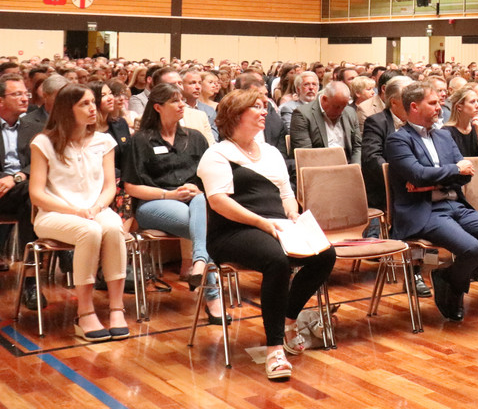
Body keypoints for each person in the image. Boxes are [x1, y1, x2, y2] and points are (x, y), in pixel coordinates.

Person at [198, 90, 337, 381]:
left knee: (325, 254)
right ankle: (275, 349)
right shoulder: (217, 154)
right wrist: (262, 223)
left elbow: (286, 195)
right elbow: (219, 202)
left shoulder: (272, 153)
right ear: (236, 116)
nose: (265, 112)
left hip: (275, 226)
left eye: (264, 107)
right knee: (277, 261)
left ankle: (288, 319)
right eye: (257, 108)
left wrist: (293, 215)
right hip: (233, 231)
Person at [384, 82, 478, 322]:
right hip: (425, 211)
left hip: (456, 204)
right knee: (472, 249)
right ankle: (454, 286)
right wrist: (451, 170)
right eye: (433, 103)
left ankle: (449, 278)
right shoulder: (398, 140)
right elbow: (419, 174)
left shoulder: (444, 136)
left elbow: (467, 173)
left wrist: (430, 180)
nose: (439, 107)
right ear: (414, 106)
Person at [28, 84, 130, 342]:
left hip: (94, 209)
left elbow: (110, 187)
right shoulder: (43, 142)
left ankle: (117, 308)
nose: (92, 108)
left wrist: (96, 207)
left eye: (92, 102)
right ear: (66, 109)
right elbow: (37, 194)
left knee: (113, 226)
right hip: (54, 213)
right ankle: (84, 312)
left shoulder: (104, 141)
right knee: (90, 230)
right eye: (84, 104)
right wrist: (76, 210)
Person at [123, 83, 223, 321]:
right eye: (175, 101)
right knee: (204, 225)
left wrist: (195, 187)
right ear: (158, 107)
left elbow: (210, 177)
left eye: (182, 100)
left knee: (200, 200)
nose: (183, 105)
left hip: (193, 202)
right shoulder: (141, 141)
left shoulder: (196, 138)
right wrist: (169, 195)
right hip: (153, 204)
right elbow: (131, 187)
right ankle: (212, 293)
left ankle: (199, 264)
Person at [0, 72, 43, 310]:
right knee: (35, 198)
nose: (25, 98)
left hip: (23, 189)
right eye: (16, 94)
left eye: (25, 93)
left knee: (32, 196)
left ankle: (31, 280)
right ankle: (31, 280)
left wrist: (16, 177)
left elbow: (42, 160)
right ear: (1, 101)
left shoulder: (35, 127)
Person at [289, 81, 361, 169]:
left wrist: (355, 168)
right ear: (324, 99)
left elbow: (357, 147)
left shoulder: (350, 112)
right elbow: (306, 154)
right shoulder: (302, 115)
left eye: (343, 106)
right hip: (318, 169)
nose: (340, 111)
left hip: (348, 167)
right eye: (336, 106)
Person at [443, 85, 478, 158]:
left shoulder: (477, 126)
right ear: (459, 107)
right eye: (472, 102)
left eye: (477, 101)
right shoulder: (446, 132)